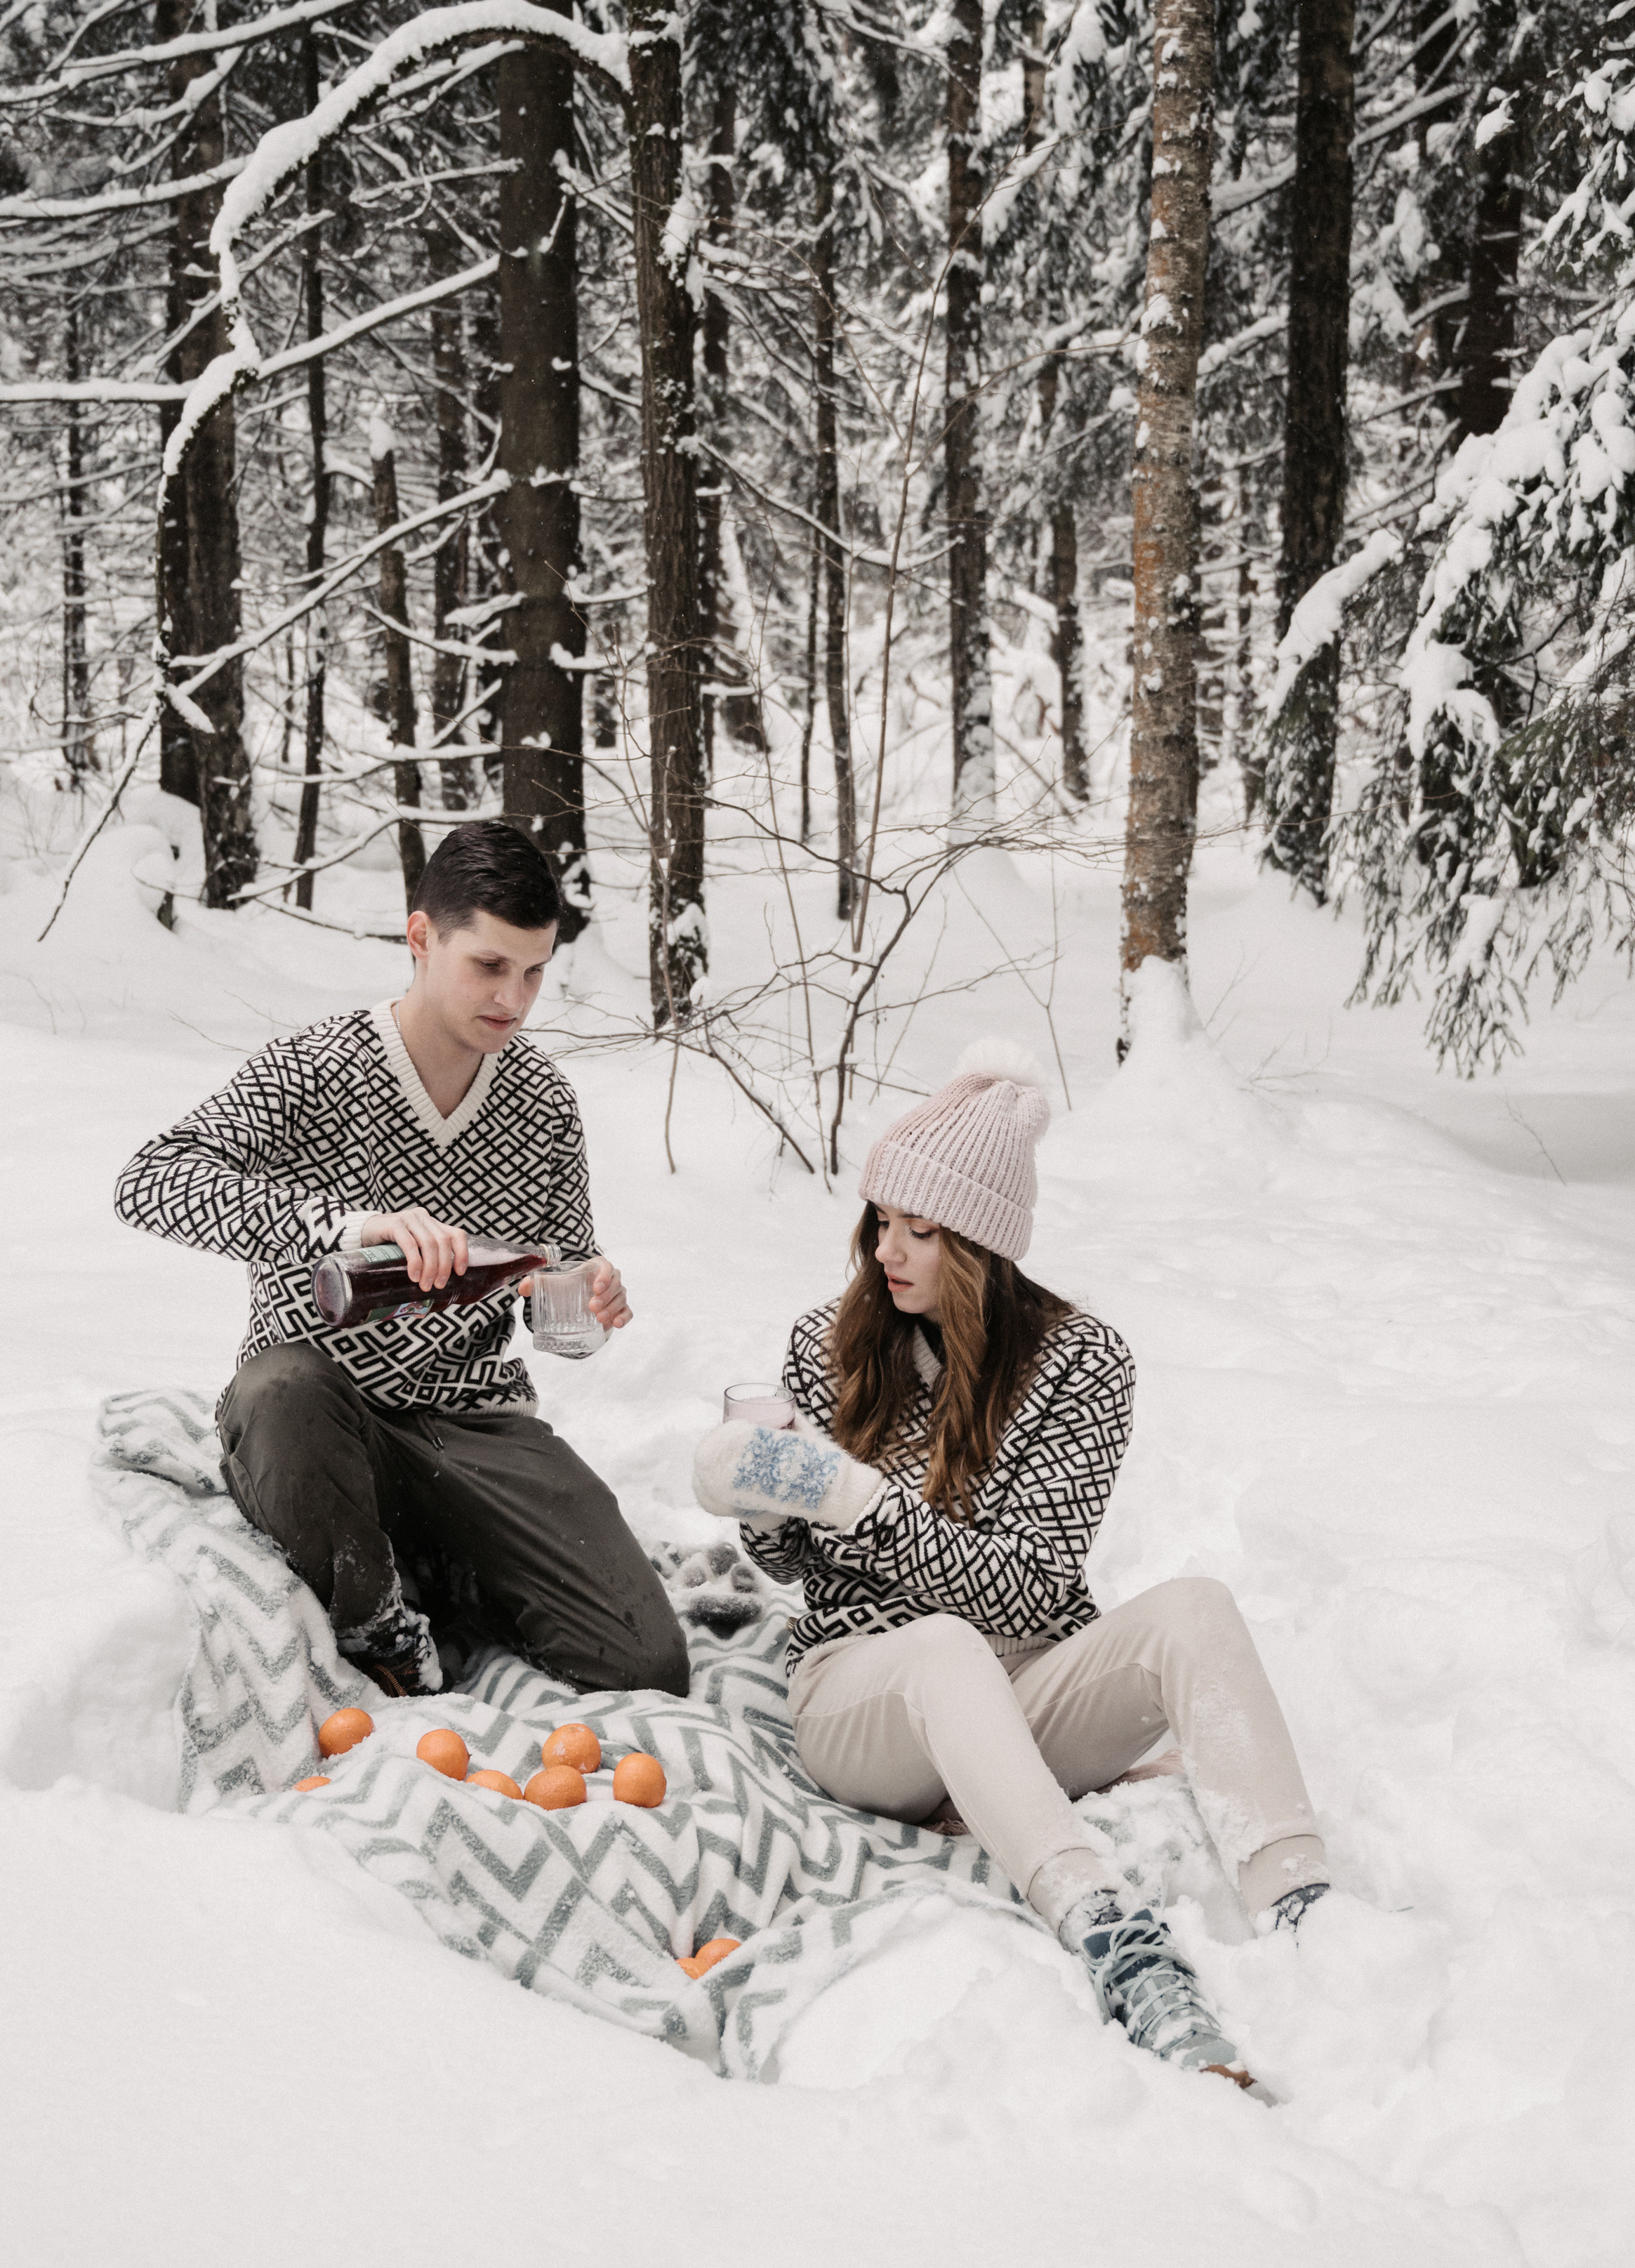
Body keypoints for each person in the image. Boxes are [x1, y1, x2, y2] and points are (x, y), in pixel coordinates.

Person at [693, 1048, 1329, 2086]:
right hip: (866, 1695)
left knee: (1195, 1607)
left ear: (982, 1242)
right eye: (880, 1223)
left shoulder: (1083, 1363)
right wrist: (762, 1499)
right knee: (940, 1647)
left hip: (1028, 1682)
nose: (885, 1253)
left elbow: (1035, 1587)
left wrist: (862, 1501)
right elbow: (798, 1570)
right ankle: (1114, 1939)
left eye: (920, 1231)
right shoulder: (827, 1343)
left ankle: (1298, 1900)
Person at [117, 822, 688, 1703]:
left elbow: (552, 1304)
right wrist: (335, 1227)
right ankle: (382, 1625)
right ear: (421, 938)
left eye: (535, 972)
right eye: (490, 966)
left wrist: (585, 1301)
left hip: (473, 1428)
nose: (514, 998)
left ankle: (445, 1565)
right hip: (319, 1415)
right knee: (276, 1393)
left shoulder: (543, 1103)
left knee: (644, 1663)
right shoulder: (313, 1067)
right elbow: (150, 1181)